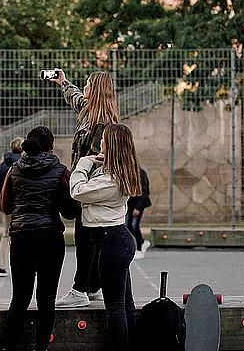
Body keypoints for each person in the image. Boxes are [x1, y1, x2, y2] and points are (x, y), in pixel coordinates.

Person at [0, 126, 76, 351]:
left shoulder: (13, 169)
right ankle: (41, 347)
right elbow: (70, 212)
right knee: (46, 299)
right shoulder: (61, 171)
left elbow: (6, 206)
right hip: (49, 238)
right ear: (51, 147)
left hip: (21, 238)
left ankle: (10, 346)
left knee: (20, 298)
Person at [69, 123, 141, 351]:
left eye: (104, 139)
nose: (99, 141)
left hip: (112, 242)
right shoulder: (116, 171)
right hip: (115, 240)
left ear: (111, 145)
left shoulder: (111, 180)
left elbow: (77, 191)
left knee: (115, 309)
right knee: (126, 306)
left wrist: (83, 164)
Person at [53, 69, 120, 307]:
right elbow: (77, 98)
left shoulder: (103, 124)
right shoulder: (89, 112)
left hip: (91, 187)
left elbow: (100, 160)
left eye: (88, 84)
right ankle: (93, 285)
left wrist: (81, 183)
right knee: (89, 235)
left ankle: (80, 289)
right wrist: (63, 82)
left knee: (85, 237)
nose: (85, 88)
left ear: (97, 90)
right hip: (84, 183)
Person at [0, 136, 24, 277]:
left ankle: (1, 266)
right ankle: (22, 266)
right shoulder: (24, 164)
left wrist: (4, 194)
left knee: (6, 234)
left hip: (7, 204)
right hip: (22, 204)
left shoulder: (3, 165)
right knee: (23, 235)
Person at [126, 167, 151, 259]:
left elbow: (145, 192)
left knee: (134, 225)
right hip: (130, 204)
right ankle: (143, 242)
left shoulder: (140, 173)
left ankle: (139, 249)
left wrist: (138, 208)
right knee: (127, 225)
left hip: (138, 204)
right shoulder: (127, 173)